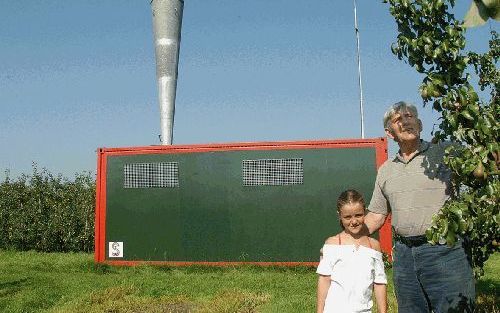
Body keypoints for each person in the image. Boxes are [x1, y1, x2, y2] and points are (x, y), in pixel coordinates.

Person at [364, 101, 475, 313]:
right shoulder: (387, 170)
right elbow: (377, 215)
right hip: (405, 256)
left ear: (420, 124)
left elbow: (486, 161)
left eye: (410, 116)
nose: (406, 121)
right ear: (389, 133)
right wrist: (344, 240)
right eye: (398, 119)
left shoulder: (444, 152)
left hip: (445, 251)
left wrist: (467, 116)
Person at [317, 189, 387, 313]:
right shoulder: (332, 244)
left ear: (365, 212)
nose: (354, 221)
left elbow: (379, 282)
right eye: (348, 217)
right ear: (339, 216)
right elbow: (324, 280)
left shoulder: (374, 246)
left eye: (358, 215)